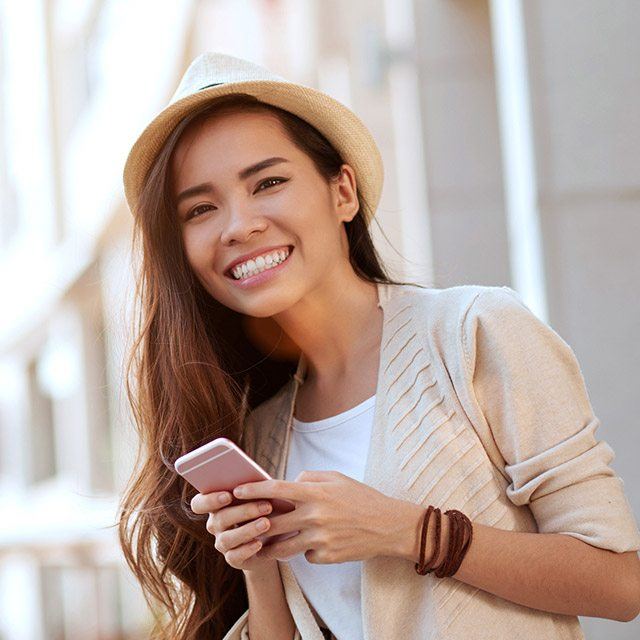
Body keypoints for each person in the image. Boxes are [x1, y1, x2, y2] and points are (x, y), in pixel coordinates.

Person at [118, 52, 640, 640]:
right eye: (201, 208)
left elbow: (620, 583)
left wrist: (405, 531)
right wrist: (260, 569)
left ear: (343, 192)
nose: (237, 226)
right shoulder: (257, 433)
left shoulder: (475, 334)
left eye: (268, 182)